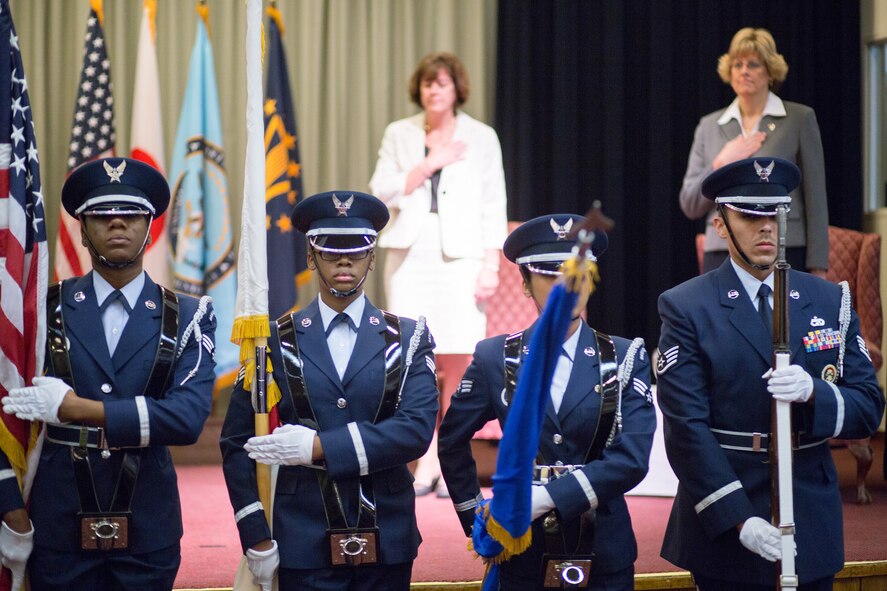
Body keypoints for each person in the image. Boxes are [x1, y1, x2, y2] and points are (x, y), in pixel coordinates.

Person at [657, 157, 885, 590]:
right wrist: (738, 518)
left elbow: (868, 407)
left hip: (809, 509)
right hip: (729, 508)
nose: (766, 228)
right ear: (720, 225)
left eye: (776, 215)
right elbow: (686, 429)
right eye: (749, 216)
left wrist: (815, 391)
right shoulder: (687, 306)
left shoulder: (827, 300)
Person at [3, 157, 217, 590]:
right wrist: (9, 507)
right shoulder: (41, 311)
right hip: (57, 524)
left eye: (131, 214)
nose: (117, 223)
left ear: (150, 229)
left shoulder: (188, 316)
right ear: (82, 231)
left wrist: (75, 409)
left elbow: (187, 418)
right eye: (101, 215)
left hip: (147, 528)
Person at [220, 191, 439, 591]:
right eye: (331, 250)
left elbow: (416, 431)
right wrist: (255, 534)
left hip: (387, 534)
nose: (344, 261)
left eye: (356, 250)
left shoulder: (408, 337)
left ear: (372, 258)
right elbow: (237, 443)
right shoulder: (273, 341)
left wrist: (318, 447)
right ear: (310, 256)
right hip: (301, 537)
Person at [438, 214, 656, 590]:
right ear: (525, 284)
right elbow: (452, 440)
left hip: (604, 547)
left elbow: (631, 459)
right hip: (523, 551)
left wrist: (546, 498)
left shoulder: (624, 356)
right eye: (550, 274)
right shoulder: (496, 358)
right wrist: (478, 518)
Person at [369, 51, 508, 497]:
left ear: (456, 89)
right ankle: (424, 459)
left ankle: (449, 459)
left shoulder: (481, 137)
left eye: (443, 83)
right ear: (420, 89)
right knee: (416, 359)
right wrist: (428, 163)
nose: (435, 90)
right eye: (429, 83)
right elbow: (380, 191)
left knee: (459, 359)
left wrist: (491, 264)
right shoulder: (400, 133)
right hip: (411, 255)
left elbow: (494, 204)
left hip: (463, 257)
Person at [680, 27, 828, 276]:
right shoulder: (709, 126)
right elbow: (690, 204)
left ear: (770, 71)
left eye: (753, 64)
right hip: (722, 251)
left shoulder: (799, 119)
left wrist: (818, 265)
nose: (744, 71)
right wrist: (721, 162)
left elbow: (816, 200)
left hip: (783, 247)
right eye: (737, 64)